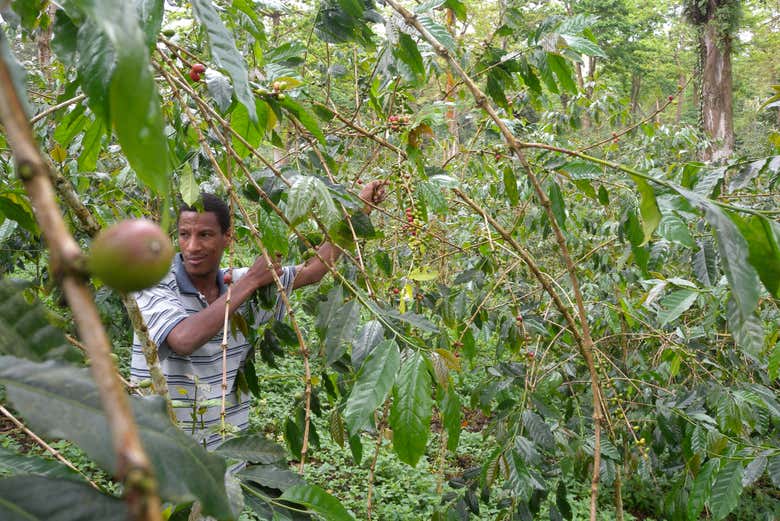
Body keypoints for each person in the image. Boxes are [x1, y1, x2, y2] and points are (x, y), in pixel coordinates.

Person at [130, 180, 386, 450]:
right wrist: (251, 280)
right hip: (159, 453)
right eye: (184, 235)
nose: (192, 246)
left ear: (228, 238)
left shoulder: (241, 286)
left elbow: (313, 271)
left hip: (225, 451)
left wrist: (358, 211)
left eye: (205, 235)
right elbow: (183, 339)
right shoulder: (154, 283)